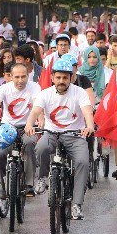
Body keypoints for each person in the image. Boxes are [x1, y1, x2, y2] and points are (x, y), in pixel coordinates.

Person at [25, 59, 94, 220]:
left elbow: (87, 112)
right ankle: (42, 178)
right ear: (52, 77)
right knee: (40, 147)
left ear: (71, 78)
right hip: (52, 133)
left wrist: (89, 126)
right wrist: (29, 124)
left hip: (75, 135)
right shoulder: (45, 94)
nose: (61, 81)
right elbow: (35, 112)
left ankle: (77, 204)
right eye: (58, 77)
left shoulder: (79, 92)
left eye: (65, 77)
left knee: (83, 162)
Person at [0, 63, 41, 197]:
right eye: (16, 77)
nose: (20, 80)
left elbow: (37, 105)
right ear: (10, 77)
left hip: (28, 127)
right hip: (7, 128)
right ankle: (1, 183)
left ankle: (29, 184)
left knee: (29, 144)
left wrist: (40, 119)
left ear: (28, 76)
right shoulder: (4, 89)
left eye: (23, 76)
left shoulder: (34, 87)